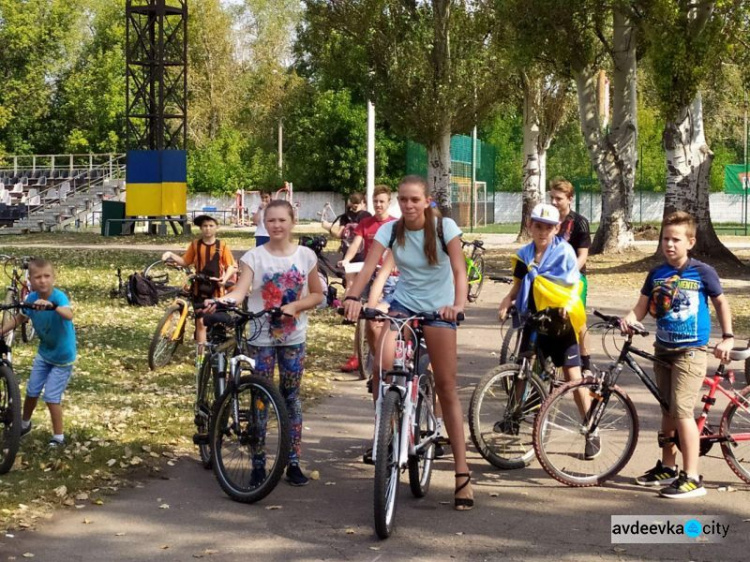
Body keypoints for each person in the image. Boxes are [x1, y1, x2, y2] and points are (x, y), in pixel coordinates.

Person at [343, 175, 473, 511]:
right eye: (404, 200)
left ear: (427, 200)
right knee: (385, 366)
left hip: (439, 308)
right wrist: (353, 296)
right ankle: (392, 429)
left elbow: (460, 271)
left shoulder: (445, 228)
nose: (409, 205)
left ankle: (462, 475)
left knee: (446, 386)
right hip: (403, 305)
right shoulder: (391, 230)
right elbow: (370, 267)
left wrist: (458, 306)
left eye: (415, 199)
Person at [208, 200, 325, 486]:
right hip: (261, 339)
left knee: (291, 399)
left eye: (281, 220)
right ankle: (258, 463)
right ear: (264, 224)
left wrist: (296, 306)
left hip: (293, 338)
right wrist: (221, 300)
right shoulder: (253, 257)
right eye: (270, 220)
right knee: (259, 398)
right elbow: (240, 290)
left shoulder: (306, 256)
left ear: (292, 222)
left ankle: (293, 462)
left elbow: (317, 295)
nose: (276, 225)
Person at [621, 211, 733, 499]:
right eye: (665, 239)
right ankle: (668, 468)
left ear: (691, 242)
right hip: (663, 350)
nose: (669, 244)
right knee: (667, 410)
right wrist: (628, 319)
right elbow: (641, 307)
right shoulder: (656, 274)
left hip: (691, 352)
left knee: (682, 411)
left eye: (676, 239)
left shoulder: (703, 272)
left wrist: (728, 337)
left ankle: (693, 477)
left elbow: (721, 303)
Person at [497, 203, 594, 456]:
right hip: (533, 319)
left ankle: (590, 429)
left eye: (548, 227)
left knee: (573, 376)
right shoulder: (524, 255)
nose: (542, 232)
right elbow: (517, 287)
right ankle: (513, 418)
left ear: (557, 229)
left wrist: (566, 306)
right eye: (538, 226)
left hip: (559, 323)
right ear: (530, 226)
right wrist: (507, 301)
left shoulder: (564, 254)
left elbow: (574, 286)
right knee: (522, 369)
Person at [0, 258, 76, 448]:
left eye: (46, 276)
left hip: (62, 357)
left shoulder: (59, 297)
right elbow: (20, 318)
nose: (42, 281)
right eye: (38, 277)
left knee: (51, 397)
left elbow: (69, 314)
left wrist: (53, 307)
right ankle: (24, 424)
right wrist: (2, 330)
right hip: (44, 354)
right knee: (32, 391)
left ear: (53, 278)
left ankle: (58, 436)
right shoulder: (31, 299)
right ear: (30, 281)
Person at [339, 185, 397, 373]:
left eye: (382, 201)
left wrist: (396, 265)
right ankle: (363, 357)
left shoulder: (396, 224)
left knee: (385, 319)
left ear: (389, 202)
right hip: (369, 273)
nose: (378, 205)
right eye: (376, 201)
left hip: (389, 277)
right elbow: (356, 244)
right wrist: (346, 260)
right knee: (362, 315)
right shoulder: (366, 223)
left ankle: (389, 356)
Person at [161, 214, 237, 347]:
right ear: (201, 228)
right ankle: (200, 352)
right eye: (205, 226)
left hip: (216, 289)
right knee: (200, 318)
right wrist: (171, 254)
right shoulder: (196, 245)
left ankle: (216, 345)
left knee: (215, 318)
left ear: (216, 227)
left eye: (211, 226)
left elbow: (230, 265)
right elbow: (185, 261)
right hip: (199, 287)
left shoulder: (222, 245)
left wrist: (224, 280)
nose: (208, 229)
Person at [548, 178, 593, 375]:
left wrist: (570, 273)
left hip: (574, 277)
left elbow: (583, 255)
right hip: (551, 277)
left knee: (577, 317)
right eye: (552, 198)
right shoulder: (549, 219)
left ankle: (586, 363)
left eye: (558, 198)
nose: (554, 202)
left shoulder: (579, 222)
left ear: (569, 198)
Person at [322, 192, 371, 261]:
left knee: (348, 270)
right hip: (363, 253)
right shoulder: (367, 216)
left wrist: (328, 228)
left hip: (348, 252)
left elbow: (339, 235)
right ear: (363, 202)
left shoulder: (345, 216)